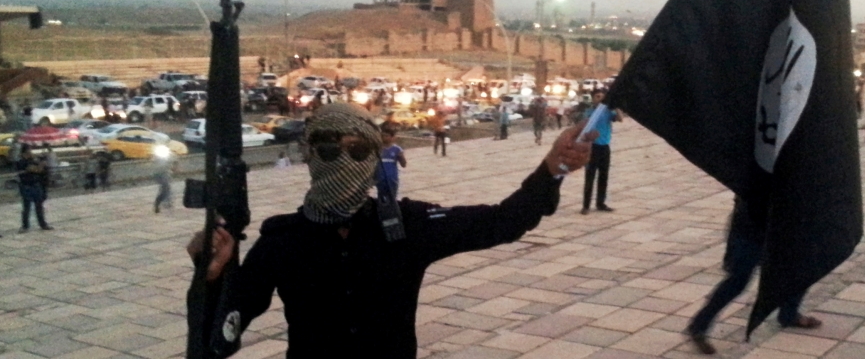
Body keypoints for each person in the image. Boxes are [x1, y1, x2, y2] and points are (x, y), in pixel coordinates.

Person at [186, 103, 595, 359]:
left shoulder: (406, 227)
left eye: (358, 150)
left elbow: (503, 221)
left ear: (374, 158)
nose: (344, 160)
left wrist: (553, 168)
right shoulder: (282, 242)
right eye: (329, 149)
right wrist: (212, 277)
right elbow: (221, 334)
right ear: (309, 154)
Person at [686, 196, 821, 354]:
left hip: (783, 226)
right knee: (737, 281)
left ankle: (789, 314)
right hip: (751, 228)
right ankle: (699, 325)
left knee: (799, 268)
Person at [581, 90, 624, 215]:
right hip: (591, 147)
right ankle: (586, 205)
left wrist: (616, 107)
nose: (600, 99)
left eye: (602, 97)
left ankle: (601, 203)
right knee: (590, 176)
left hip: (604, 147)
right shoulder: (589, 113)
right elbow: (583, 127)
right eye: (597, 96)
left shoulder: (607, 112)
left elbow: (620, 119)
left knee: (603, 176)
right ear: (592, 98)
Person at [17, 146, 53, 232]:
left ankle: (43, 224)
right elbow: (36, 170)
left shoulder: (33, 160)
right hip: (26, 186)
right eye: (29, 151)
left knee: (39, 206)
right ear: (24, 153)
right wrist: (41, 164)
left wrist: (41, 160)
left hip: (36, 185)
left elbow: (41, 170)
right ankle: (25, 226)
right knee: (26, 207)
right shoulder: (21, 162)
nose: (31, 153)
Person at [375, 124, 406, 200]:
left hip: (392, 179)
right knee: (381, 199)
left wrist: (401, 157)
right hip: (380, 179)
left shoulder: (397, 149)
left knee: (392, 199)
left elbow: (404, 165)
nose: (384, 138)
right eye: (382, 136)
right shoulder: (377, 149)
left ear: (392, 137)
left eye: (386, 136)